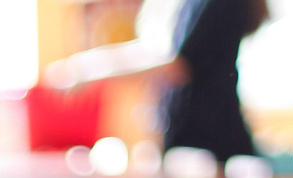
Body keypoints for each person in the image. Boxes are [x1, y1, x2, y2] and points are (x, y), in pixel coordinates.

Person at [46, 0, 267, 164]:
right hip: (187, 138)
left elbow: (177, 63)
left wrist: (89, 69)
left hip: (213, 141)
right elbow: (156, 50)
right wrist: (85, 66)